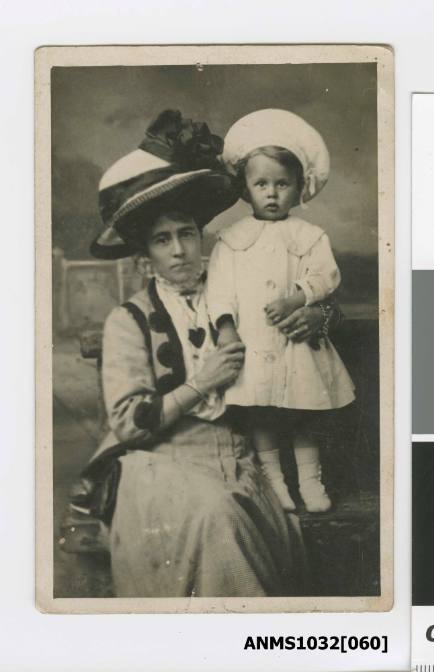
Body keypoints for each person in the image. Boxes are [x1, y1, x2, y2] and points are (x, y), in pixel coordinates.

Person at [88, 110, 325, 598]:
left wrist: (319, 318)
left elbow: (298, 297)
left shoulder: (231, 288)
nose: (178, 250)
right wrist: (202, 381)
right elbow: (130, 423)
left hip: (238, 461)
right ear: (144, 257)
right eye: (162, 240)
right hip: (162, 466)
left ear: (202, 238)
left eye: (187, 234)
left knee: (274, 529)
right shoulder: (128, 320)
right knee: (218, 520)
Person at [206, 109, 355, 514]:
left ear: (298, 188)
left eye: (282, 184)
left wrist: (300, 295)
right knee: (262, 416)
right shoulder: (231, 240)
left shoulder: (309, 236)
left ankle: (310, 480)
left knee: (304, 413)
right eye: (261, 184)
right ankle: (276, 483)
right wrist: (225, 328)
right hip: (253, 343)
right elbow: (218, 289)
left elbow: (327, 276)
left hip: (296, 344)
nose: (271, 193)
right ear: (246, 188)